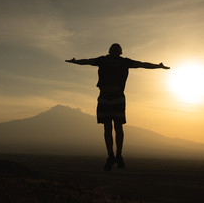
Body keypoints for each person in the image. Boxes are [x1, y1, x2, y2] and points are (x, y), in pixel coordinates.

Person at [66, 43, 170, 171]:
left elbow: (87, 61)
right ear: (119, 52)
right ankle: (115, 156)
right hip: (112, 97)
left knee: (110, 128)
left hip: (108, 97)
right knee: (114, 127)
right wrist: (158, 66)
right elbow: (142, 64)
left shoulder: (106, 60)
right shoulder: (120, 62)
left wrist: (158, 66)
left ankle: (114, 156)